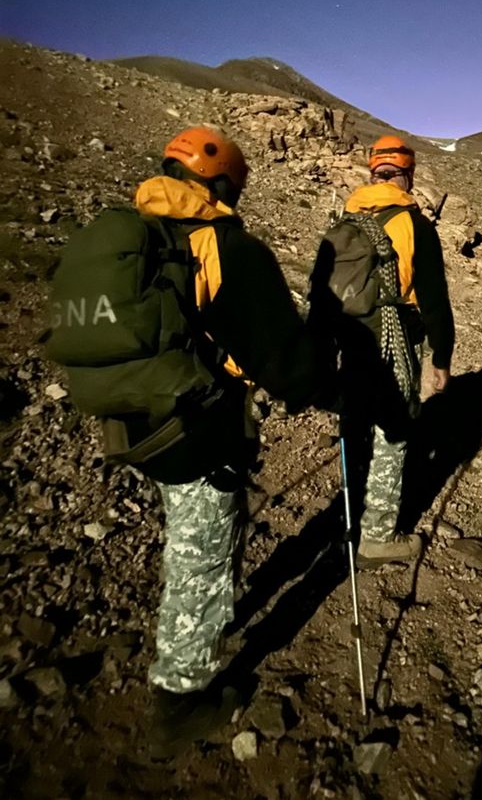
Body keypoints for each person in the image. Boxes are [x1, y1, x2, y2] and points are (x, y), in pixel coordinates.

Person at [123, 127, 325, 755]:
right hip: (200, 431)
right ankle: (180, 702)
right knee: (201, 554)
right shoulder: (231, 248)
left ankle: (209, 620)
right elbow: (286, 364)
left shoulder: (136, 235)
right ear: (222, 185)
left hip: (137, 419)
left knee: (194, 533)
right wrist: (332, 389)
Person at [310, 135, 455, 568]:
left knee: (356, 421)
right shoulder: (415, 225)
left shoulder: (346, 219)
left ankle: (350, 512)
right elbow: (435, 302)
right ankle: (377, 536)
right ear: (407, 175)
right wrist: (441, 359)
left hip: (348, 340)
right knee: (393, 430)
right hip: (394, 340)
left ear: (374, 173)